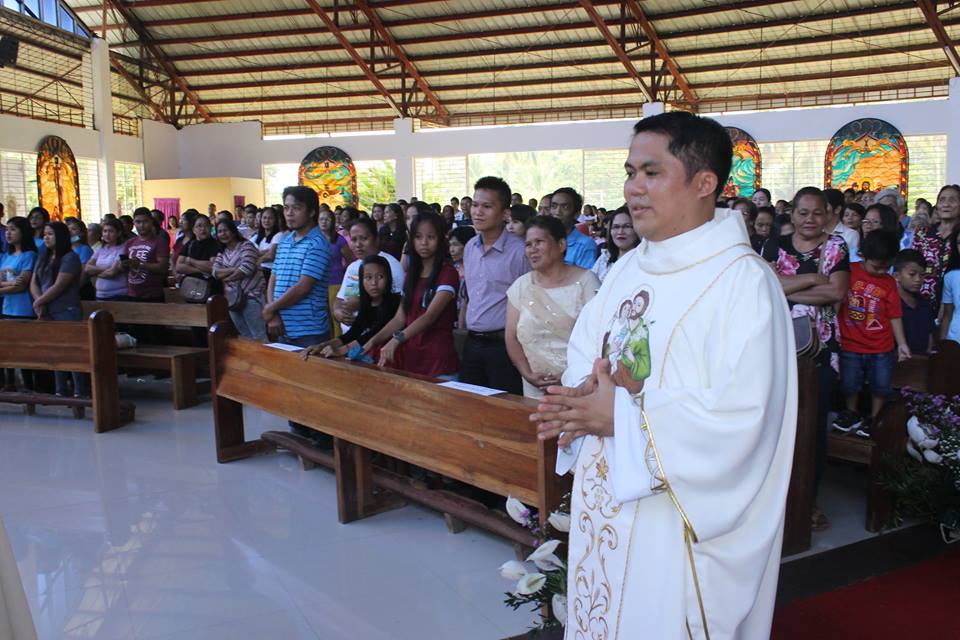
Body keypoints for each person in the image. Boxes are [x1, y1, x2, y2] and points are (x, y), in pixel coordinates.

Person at [532, 112, 795, 639]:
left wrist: (624, 419)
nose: (632, 187)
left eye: (651, 172)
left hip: (672, 521)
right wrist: (584, 393)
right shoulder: (632, 265)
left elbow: (746, 420)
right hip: (607, 495)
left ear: (705, 183)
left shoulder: (743, 283)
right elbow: (588, 346)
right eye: (630, 171)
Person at [764, 186, 849, 531]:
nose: (810, 219)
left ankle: (808, 501)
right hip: (778, 344)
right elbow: (767, 287)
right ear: (792, 214)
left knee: (813, 427)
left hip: (821, 351)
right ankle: (775, 503)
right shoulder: (775, 245)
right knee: (775, 426)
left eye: (817, 212)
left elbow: (837, 291)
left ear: (828, 214)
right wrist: (814, 277)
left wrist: (790, 283)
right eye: (803, 212)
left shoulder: (836, 246)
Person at [506, 215, 599, 398]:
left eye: (539, 242)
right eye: (528, 244)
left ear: (561, 245)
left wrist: (569, 377)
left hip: (579, 387)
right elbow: (511, 337)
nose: (532, 250)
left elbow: (599, 338)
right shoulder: (521, 286)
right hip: (535, 388)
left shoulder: (587, 282)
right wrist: (528, 374)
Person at [833, 229, 911, 438]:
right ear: (862, 255)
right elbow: (836, 301)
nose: (881, 271)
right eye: (877, 266)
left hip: (881, 347)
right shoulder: (848, 272)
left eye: (887, 267)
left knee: (881, 386)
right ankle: (851, 412)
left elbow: (894, 315)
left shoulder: (889, 283)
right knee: (849, 384)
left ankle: (874, 418)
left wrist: (902, 344)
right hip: (850, 344)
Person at [364, 212, 459, 377]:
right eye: (418, 237)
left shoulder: (448, 273)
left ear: (441, 239)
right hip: (412, 360)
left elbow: (429, 316)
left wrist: (396, 340)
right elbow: (400, 318)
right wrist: (373, 341)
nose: (424, 243)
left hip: (439, 363)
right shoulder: (411, 275)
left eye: (431, 237)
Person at [459, 176, 529, 394]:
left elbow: (528, 302)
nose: (478, 211)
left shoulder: (519, 252)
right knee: (468, 406)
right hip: (472, 342)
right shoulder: (470, 246)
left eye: (487, 206)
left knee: (503, 409)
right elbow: (471, 295)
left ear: (505, 213)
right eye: (475, 204)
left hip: (504, 347)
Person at [263, 185, 332, 348]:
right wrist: (273, 314)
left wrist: (271, 307)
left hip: (309, 331)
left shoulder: (318, 243)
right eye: (286, 208)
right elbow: (274, 278)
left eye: (296, 208)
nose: (289, 213)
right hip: (282, 326)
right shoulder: (285, 241)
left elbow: (303, 287)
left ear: (312, 212)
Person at [302, 255, 401, 362]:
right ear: (361, 281)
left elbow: (372, 334)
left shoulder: (395, 302)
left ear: (388, 278)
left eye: (380, 277)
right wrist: (322, 345)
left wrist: (342, 350)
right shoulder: (367, 303)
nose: (374, 283)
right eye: (368, 277)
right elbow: (353, 333)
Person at [30, 221, 88, 398]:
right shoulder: (44, 256)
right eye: (45, 234)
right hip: (47, 309)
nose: (46, 237)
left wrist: (39, 302)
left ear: (61, 237)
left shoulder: (70, 257)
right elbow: (34, 281)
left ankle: (80, 393)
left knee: (71, 353)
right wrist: (39, 301)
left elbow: (60, 285)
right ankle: (60, 391)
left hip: (65, 310)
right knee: (55, 353)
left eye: (50, 234)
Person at [335, 217, 405, 331]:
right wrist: (338, 313)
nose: (358, 244)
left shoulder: (391, 265)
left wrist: (362, 303)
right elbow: (340, 299)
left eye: (364, 238)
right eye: (353, 240)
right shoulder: (352, 267)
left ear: (376, 239)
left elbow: (395, 307)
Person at [212, 219, 266, 341]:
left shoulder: (246, 246)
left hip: (251, 297)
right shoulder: (223, 252)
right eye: (219, 231)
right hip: (233, 299)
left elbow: (246, 269)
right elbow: (215, 272)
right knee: (245, 336)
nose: (222, 234)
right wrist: (235, 269)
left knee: (258, 336)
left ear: (233, 231)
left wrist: (227, 277)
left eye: (225, 230)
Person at [913, 185, 959, 307]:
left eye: (952, 200)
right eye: (942, 200)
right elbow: (911, 265)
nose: (946, 204)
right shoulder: (922, 234)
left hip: (953, 303)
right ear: (937, 205)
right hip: (923, 302)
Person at [123, 208, 170, 303]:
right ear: (134, 223)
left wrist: (140, 264)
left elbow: (163, 268)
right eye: (138, 222)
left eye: (145, 221)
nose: (141, 225)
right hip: (132, 292)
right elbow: (125, 266)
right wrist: (124, 264)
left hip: (152, 294)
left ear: (151, 222)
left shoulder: (160, 242)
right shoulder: (129, 243)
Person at [894, 249, 935, 355]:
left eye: (922, 275)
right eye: (912, 274)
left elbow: (929, 334)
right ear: (897, 276)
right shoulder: (891, 303)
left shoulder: (926, 304)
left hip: (922, 362)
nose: (918, 279)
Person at [319, 208, 351, 338]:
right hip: (318, 284)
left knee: (336, 316)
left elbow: (351, 260)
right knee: (323, 317)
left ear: (333, 221)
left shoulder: (339, 239)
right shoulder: (315, 240)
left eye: (327, 219)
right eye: (321, 219)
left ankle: (338, 343)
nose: (324, 222)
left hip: (336, 282)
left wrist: (344, 271)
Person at [550, 187, 598, 269]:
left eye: (565, 207)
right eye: (554, 206)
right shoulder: (544, 240)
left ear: (576, 214)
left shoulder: (585, 245)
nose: (557, 212)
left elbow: (584, 280)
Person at [1, 217, 37, 320]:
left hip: (23, 309)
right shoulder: (7, 256)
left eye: (13, 229)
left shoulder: (29, 255)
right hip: (7, 308)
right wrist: (11, 283)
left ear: (23, 231)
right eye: (7, 229)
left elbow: (21, 285)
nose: (8, 233)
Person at [83, 219, 127, 301]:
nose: (107, 234)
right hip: (100, 294)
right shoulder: (101, 249)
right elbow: (87, 268)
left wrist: (95, 273)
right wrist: (106, 269)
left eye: (111, 231)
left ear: (119, 233)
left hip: (118, 295)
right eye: (105, 231)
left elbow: (112, 273)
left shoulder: (123, 249)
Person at [591, 207, 639, 282]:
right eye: (616, 227)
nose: (620, 232)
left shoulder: (643, 261)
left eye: (627, 226)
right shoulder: (605, 257)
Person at [175, 214, 220, 284]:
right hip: (191, 286)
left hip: (210, 286)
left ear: (211, 227)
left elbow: (212, 266)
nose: (203, 228)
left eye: (206, 225)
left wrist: (190, 261)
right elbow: (179, 267)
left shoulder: (216, 244)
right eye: (199, 226)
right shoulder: (189, 244)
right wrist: (201, 270)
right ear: (193, 229)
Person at [824, 188, 861, 263]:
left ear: (837, 209)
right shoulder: (814, 232)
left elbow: (851, 264)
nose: (819, 210)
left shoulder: (851, 235)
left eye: (824, 206)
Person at [254, 205, 287, 282]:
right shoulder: (258, 237)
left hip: (269, 271)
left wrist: (255, 262)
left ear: (275, 220)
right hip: (259, 271)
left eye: (270, 218)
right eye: (264, 218)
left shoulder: (279, 235)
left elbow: (271, 256)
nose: (267, 221)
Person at [940, 230, 960, 344]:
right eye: (959, 243)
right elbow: (948, 315)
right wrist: (943, 346)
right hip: (955, 340)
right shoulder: (951, 276)